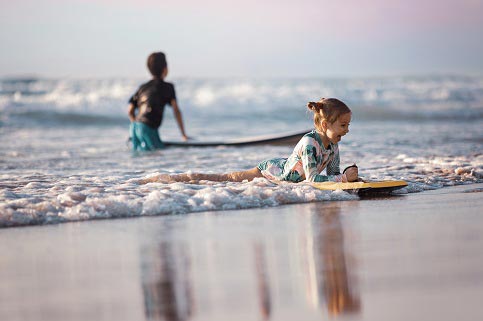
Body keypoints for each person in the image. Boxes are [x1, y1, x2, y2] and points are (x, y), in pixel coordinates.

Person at [142, 98, 358, 183]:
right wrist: (343, 180)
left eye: (347, 125)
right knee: (228, 178)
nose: (347, 130)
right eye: (343, 125)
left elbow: (332, 175)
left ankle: (185, 177)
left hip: (286, 172)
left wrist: (348, 176)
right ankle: (184, 177)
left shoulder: (333, 145)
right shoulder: (310, 144)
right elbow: (312, 180)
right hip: (274, 171)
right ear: (323, 125)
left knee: (231, 178)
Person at [128, 52, 188, 151]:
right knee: (156, 153)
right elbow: (176, 111)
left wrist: (137, 125)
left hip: (134, 127)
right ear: (165, 69)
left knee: (140, 155)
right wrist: (184, 135)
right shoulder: (168, 87)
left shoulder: (142, 87)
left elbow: (130, 111)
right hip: (148, 128)